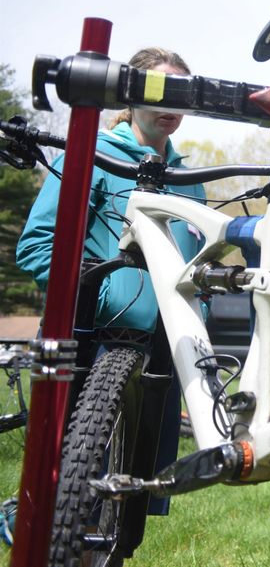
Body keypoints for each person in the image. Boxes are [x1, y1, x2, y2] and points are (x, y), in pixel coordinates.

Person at [16, 45, 204, 514]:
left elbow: (195, 267)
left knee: (126, 507)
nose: (171, 108)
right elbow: (39, 243)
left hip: (160, 355)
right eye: (160, 91)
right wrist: (100, 294)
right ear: (131, 95)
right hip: (92, 344)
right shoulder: (95, 155)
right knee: (67, 500)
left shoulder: (190, 180)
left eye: (182, 95)